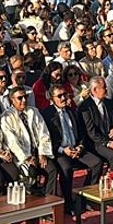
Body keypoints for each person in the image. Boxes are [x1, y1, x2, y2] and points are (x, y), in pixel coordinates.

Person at [43, 84, 102, 214]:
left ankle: (85, 196)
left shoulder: (71, 111)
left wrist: (80, 146)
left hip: (76, 148)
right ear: (52, 99)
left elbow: (81, 133)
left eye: (65, 95)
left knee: (97, 163)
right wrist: (62, 150)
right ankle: (68, 202)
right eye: (60, 96)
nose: (64, 98)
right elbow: (47, 139)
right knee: (66, 168)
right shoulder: (47, 115)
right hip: (59, 151)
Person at [0, 85, 55, 197]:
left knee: (52, 170)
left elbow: (44, 133)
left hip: (38, 153)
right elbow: (11, 141)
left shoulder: (34, 112)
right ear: (12, 100)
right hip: (22, 156)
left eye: (25, 97)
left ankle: (50, 202)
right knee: (30, 175)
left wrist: (42, 152)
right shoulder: (6, 117)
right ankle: (32, 206)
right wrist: (27, 157)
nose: (24, 100)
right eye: (20, 98)